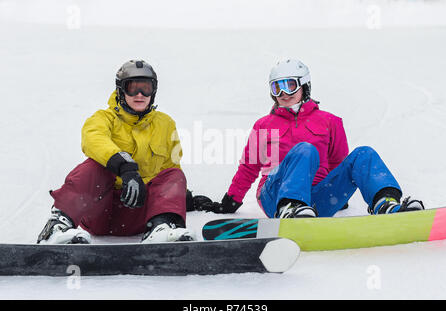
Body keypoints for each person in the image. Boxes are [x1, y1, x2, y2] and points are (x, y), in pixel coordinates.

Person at [201, 59, 424, 218]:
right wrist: (230, 201)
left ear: (304, 85)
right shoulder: (264, 125)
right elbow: (249, 168)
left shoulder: (330, 121)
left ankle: (385, 203)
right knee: (304, 150)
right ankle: (290, 208)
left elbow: (339, 163)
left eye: (289, 85)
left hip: (317, 199)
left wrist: (340, 195)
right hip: (274, 196)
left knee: (363, 154)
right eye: (276, 88)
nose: (283, 93)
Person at [37, 59, 196, 244]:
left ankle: (162, 228)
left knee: (174, 174)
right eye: (132, 88)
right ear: (121, 89)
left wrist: (181, 197)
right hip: (99, 211)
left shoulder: (166, 124)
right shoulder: (103, 118)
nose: (140, 94)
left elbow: (170, 166)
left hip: (140, 213)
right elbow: (94, 139)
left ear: (154, 91)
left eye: (146, 88)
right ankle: (57, 228)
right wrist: (124, 167)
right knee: (92, 168)